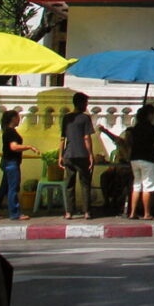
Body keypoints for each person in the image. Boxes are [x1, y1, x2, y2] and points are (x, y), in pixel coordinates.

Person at [0, 111, 39, 221]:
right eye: (18, 117)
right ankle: (15, 213)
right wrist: (29, 147)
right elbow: (14, 147)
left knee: (3, 188)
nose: (19, 119)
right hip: (11, 162)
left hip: (7, 162)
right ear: (13, 118)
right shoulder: (11, 132)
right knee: (13, 188)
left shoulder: (8, 131)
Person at [59, 92, 94, 220]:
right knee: (85, 184)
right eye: (85, 103)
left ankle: (69, 212)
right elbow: (86, 138)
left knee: (69, 184)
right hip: (82, 154)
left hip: (68, 154)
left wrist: (60, 156)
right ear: (80, 103)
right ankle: (86, 212)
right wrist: (91, 155)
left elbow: (62, 139)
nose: (86, 106)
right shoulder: (85, 118)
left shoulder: (66, 118)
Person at [128, 104, 154, 220]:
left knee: (136, 185)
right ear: (149, 115)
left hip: (134, 158)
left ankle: (132, 212)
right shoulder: (151, 128)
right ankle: (147, 213)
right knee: (147, 186)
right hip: (147, 159)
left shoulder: (135, 128)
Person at [97, 124, 133, 216]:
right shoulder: (121, 143)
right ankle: (106, 201)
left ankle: (116, 201)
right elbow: (113, 138)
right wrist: (104, 130)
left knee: (123, 179)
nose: (127, 138)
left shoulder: (135, 148)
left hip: (128, 171)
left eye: (130, 136)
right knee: (104, 176)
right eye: (127, 135)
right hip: (116, 169)